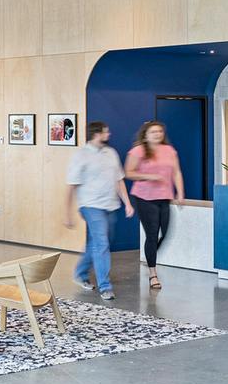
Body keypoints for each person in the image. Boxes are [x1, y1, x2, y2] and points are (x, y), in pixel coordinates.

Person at [65, 121, 134, 300]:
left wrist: (127, 203)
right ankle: (105, 286)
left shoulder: (111, 153)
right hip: (90, 205)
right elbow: (71, 186)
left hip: (110, 204)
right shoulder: (80, 156)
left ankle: (80, 272)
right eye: (105, 131)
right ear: (96, 134)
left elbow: (119, 180)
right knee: (102, 243)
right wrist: (67, 213)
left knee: (99, 242)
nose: (109, 134)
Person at [125, 120, 184, 291]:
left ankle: (150, 254)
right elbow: (129, 173)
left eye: (160, 131)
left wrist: (180, 193)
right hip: (144, 197)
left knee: (165, 233)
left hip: (164, 196)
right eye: (153, 132)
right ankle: (153, 274)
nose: (157, 134)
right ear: (145, 134)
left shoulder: (169, 150)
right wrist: (150, 177)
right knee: (152, 234)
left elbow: (176, 172)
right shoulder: (138, 151)